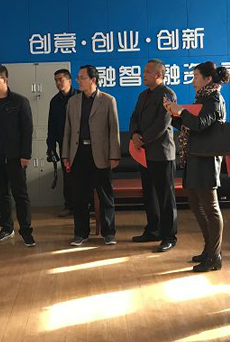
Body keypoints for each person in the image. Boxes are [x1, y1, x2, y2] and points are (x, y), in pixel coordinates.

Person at [164, 62, 230, 272]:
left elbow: (201, 124)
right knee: (195, 203)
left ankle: (215, 256)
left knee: (211, 208)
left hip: (207, 160)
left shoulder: (214, 98)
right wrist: (173, 114)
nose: (193, 81)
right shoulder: (202, 98)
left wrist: (182, 111)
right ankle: (209, 249)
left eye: (196, 77)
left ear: (208, 79)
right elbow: (190, 126)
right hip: (195, 158)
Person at [62, 65, 121, 246]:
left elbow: (114, 130)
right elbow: (68, 130)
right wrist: (65, 155)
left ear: (93, 80)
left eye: (82, 77)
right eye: (78, 77)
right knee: (79, 197)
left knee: (105, 196)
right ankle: (81, 233)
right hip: (78, 153)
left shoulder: (108, 100)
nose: (78, 81)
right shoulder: (73, 101)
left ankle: (108, 233)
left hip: (100, 154)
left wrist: (114, 155)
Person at [0, 65, 36, 247]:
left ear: (5, 80)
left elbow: (27, 130)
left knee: (20, 194)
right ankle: (6, 228)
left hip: (15, 156)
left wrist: (25, 154)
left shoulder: (20, 101)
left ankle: (26, 231)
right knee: (1, 193)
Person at [130, 59, 178, 252]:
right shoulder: (143, 95)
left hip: (162, 153)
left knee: (165, 197)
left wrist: (143, 139)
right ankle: (153, 229)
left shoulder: (167, 94)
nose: (144, 75)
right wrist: (134, 134)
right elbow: (134, 117)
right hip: (144, 153)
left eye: (148, 72)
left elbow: (163, 123)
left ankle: (169, 236)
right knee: (149, 193)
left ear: (158, 75)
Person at [46, 69, 78, 218]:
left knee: (83, 175)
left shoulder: (79, 97)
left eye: (61, 79)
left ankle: (86, 205)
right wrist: (50, 147)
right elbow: (51, 126)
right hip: (64, 144)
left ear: (69, 81)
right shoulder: (55, 101)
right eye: (56, 80)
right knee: (67, 175)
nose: (58, 83)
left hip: (80, 143)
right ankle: (69, 205)